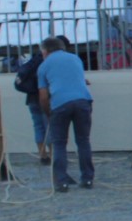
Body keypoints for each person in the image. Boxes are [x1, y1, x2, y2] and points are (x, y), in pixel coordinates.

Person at [36, 36, 94, 192]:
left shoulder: (43, 66)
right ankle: (87, 178)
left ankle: (61, 181)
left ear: (45, 51)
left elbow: (43, 95)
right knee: (83, 141)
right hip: (83, 101)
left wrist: (47, 112)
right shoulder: (75, 58)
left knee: (59, 143)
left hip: (60, 104)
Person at [13, 47, 50, 164]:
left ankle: (42, 155)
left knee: (38, 127)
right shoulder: (47, 64)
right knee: (49, 127)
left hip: (31, 99)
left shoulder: (30, 63)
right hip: (45, 98)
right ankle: (54, 155)